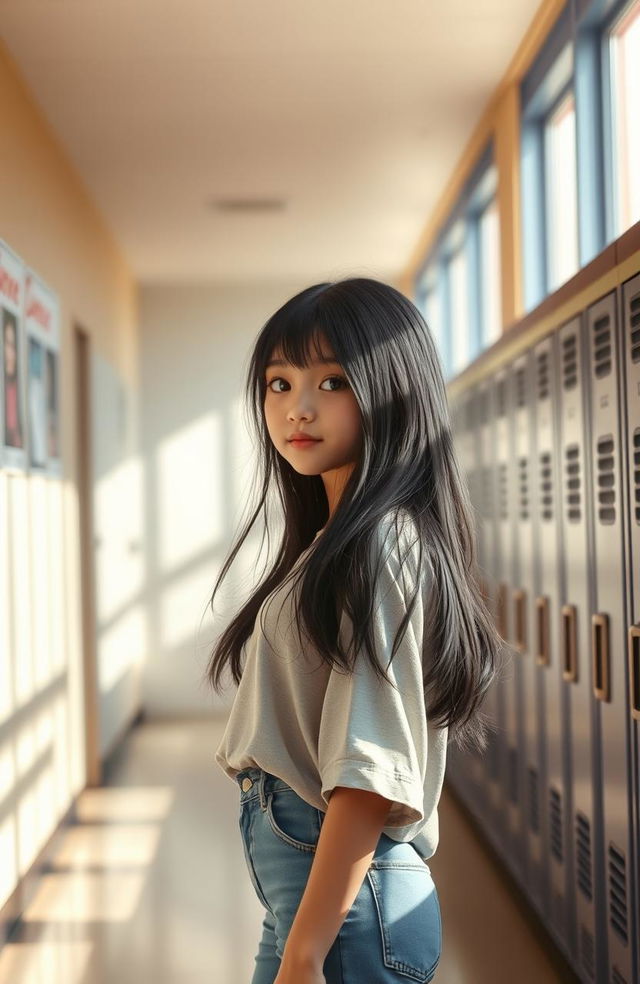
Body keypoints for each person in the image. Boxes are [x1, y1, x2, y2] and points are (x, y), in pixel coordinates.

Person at [205, 277, 505, 984]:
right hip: (313, 895)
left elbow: (367, 773)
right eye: (278, 383)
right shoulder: (338, 540)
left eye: (331, 381)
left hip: (345, 908)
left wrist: (308, 951)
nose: (297, 408)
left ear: (393, 391)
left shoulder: (379, 543)